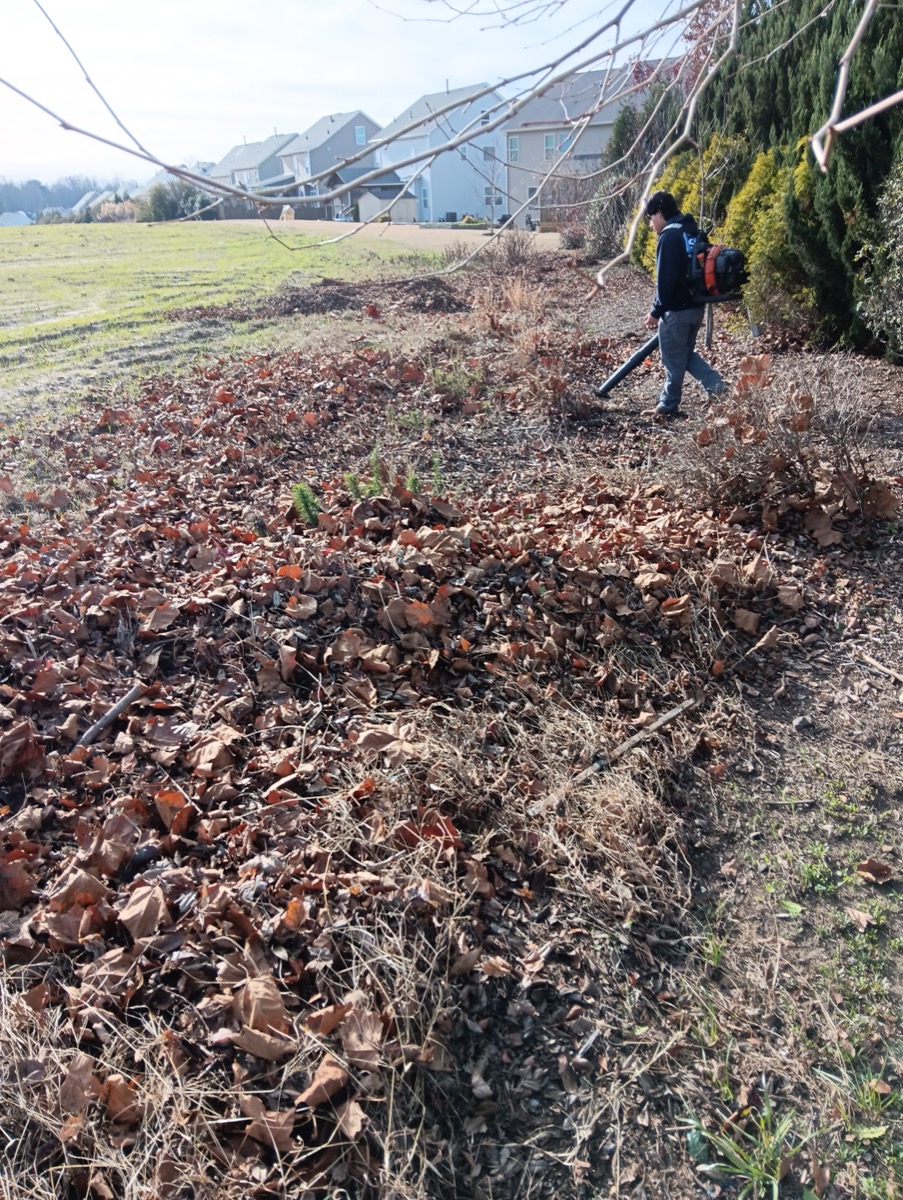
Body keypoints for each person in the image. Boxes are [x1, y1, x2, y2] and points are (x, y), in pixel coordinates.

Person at [608, 191, 726, 422]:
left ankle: (668, 404)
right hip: (696, 306)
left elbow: (666, 280)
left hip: (677, 311)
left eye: (651, 218)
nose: (651, 224)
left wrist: (656, 311)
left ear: (659, 213)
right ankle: (717, 387)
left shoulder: (668, 236)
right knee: (683, 355)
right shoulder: (690, 230)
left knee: (672, 360)